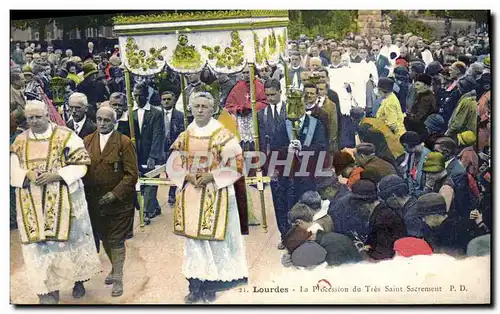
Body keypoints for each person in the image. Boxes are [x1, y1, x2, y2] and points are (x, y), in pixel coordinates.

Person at [10, 100, 101, 304]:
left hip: (64, 198)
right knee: (40, 248)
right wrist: (28, 174)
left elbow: (82, 164)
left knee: (70, 242)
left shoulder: (65, 136)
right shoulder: (20, 141)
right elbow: (11, 169)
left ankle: (78, 281)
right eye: (30, 118)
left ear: (47, 115)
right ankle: (47, 292)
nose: (33, 121)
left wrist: (57, 175)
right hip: (31, 201)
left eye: (37, 117)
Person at [166, 92, 249, 303]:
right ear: (191, 109)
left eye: (204, 106)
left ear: (212, 109)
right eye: (197, 106)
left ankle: (212, 285)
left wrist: (212, 175)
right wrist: (187, 175)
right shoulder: (186, 134)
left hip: (217, 192)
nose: (200, 110)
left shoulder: (222, 134)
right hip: (191, 194)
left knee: (214, 241)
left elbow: (237, 165)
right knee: (194, 242)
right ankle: (195, 285)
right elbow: (174, 163)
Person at [83, 106, 139, 297]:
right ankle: (114, 269)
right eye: (99, 119)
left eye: (106, 120)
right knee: (104, 237)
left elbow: (132, 175)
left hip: (119, 202)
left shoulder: (124, 142)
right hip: (95, 202)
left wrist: (115, 194)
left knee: (116, 240)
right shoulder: (87, 141)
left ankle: (118, 278)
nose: (102, 124)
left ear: (115, 122)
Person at [270, 87, 327, 247]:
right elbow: (274, 148)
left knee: (307, 204)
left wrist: (304, 149)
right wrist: (286, 150)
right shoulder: (283, 125)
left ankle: (308, 235)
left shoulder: (316, 125)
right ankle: (287, 237)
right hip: (286, 173)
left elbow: (322, 148)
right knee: (285, 205)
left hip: (307, 173)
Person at [132, 82, 166, 225]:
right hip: (138, 154)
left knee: (151, 182)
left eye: (141, 96)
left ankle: (145, 212)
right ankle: (154, 207)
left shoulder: (156, 113)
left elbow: (159, 135)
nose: (138, 99)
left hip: (152, 154)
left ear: (147, 96)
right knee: (142, 182)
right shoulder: (131, 113)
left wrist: (153, 155)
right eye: (136, 96)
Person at [225, 64, 268, 151]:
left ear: (253, 72)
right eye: (244, 73)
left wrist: (251, 107)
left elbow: (265, 102)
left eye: (248, 72)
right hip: (241, 123)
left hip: (256, 121)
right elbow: (229, 105)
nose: (246, 75)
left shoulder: (259, 85)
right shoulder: (237, 87)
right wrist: (239, 109)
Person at [160, 90, 185, 205]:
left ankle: (172, 194)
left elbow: (182, 132)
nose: (166, 101)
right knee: (163, 171)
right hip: (161, 147)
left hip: (174, 147)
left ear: (174, 100)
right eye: (164, 99)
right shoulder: (157, 114)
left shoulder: (180, 115)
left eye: (169, 99)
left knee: (174, 170)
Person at [399, 131, 431, 196]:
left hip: (424, 195)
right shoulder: (412, 155)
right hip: (414, 193)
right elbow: (410, 177)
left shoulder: (429, 157)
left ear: (410, 144)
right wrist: (411, 194)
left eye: (405, 146)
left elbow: (429, 185)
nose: (404, 149)